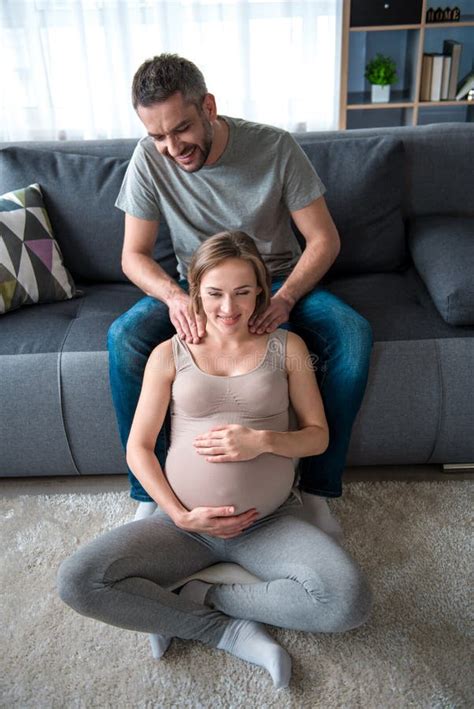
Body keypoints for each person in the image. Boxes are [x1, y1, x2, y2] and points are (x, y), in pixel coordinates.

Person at [58, 232, 372, 690]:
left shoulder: (291, 349)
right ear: (195, 292)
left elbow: (318, 437)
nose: (229, 307)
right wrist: (180, 515)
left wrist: (262, 441)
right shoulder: (168, 353)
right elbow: (138, 448)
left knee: (349, 601)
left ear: (262, 292)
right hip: (183, 526)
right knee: (79, 580)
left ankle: (208, 596)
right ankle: (222, 631)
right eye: (215, 293)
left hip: (267, 522)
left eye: (244, 292)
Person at [108, 53, 373, 531]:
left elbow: (324, 240)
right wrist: (174, 297)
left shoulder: (274, 147)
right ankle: (146, 490)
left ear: (208, 106)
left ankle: (317, 488)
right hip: (198, 289)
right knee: (123, 337)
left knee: (351, 335)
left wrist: (286, 297)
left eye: (181, 129)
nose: (171, 148)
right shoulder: (148, 158)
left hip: (275, 283)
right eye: (157, 136)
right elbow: (134, 255)